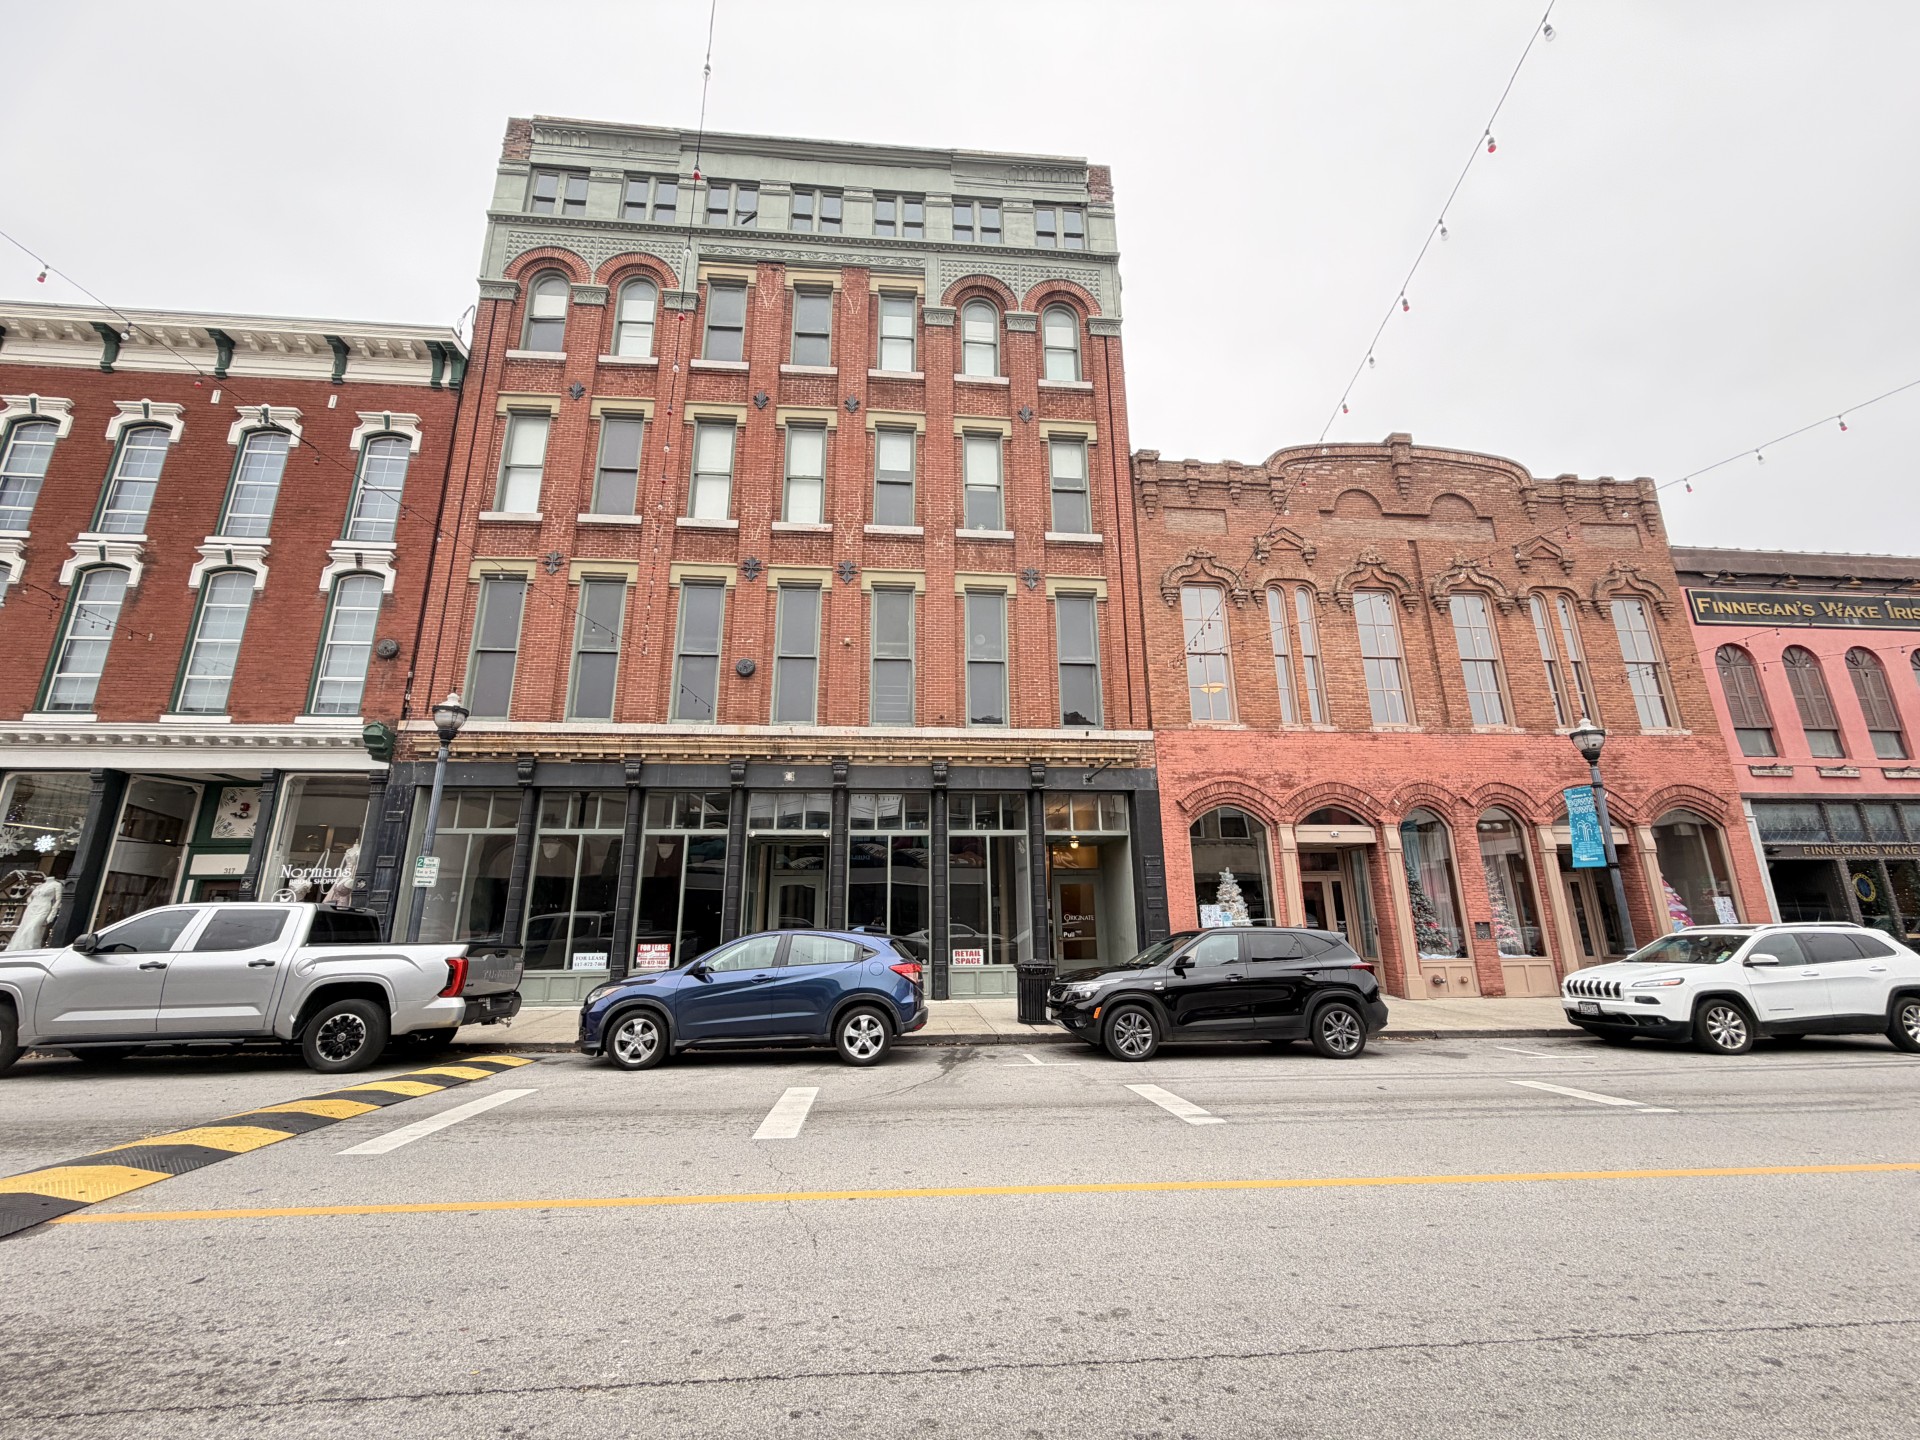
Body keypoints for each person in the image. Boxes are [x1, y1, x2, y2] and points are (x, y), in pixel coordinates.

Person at [6, 876, 63, 951]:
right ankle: (16, 947)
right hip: (31, 908)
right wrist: (30, 903)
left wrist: (52, 914)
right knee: (23, 927)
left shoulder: (57, 885)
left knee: (33, 927)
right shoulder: (40, 886)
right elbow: (30, 897)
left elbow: (58, 900)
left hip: (43, 907)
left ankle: (29, 948)